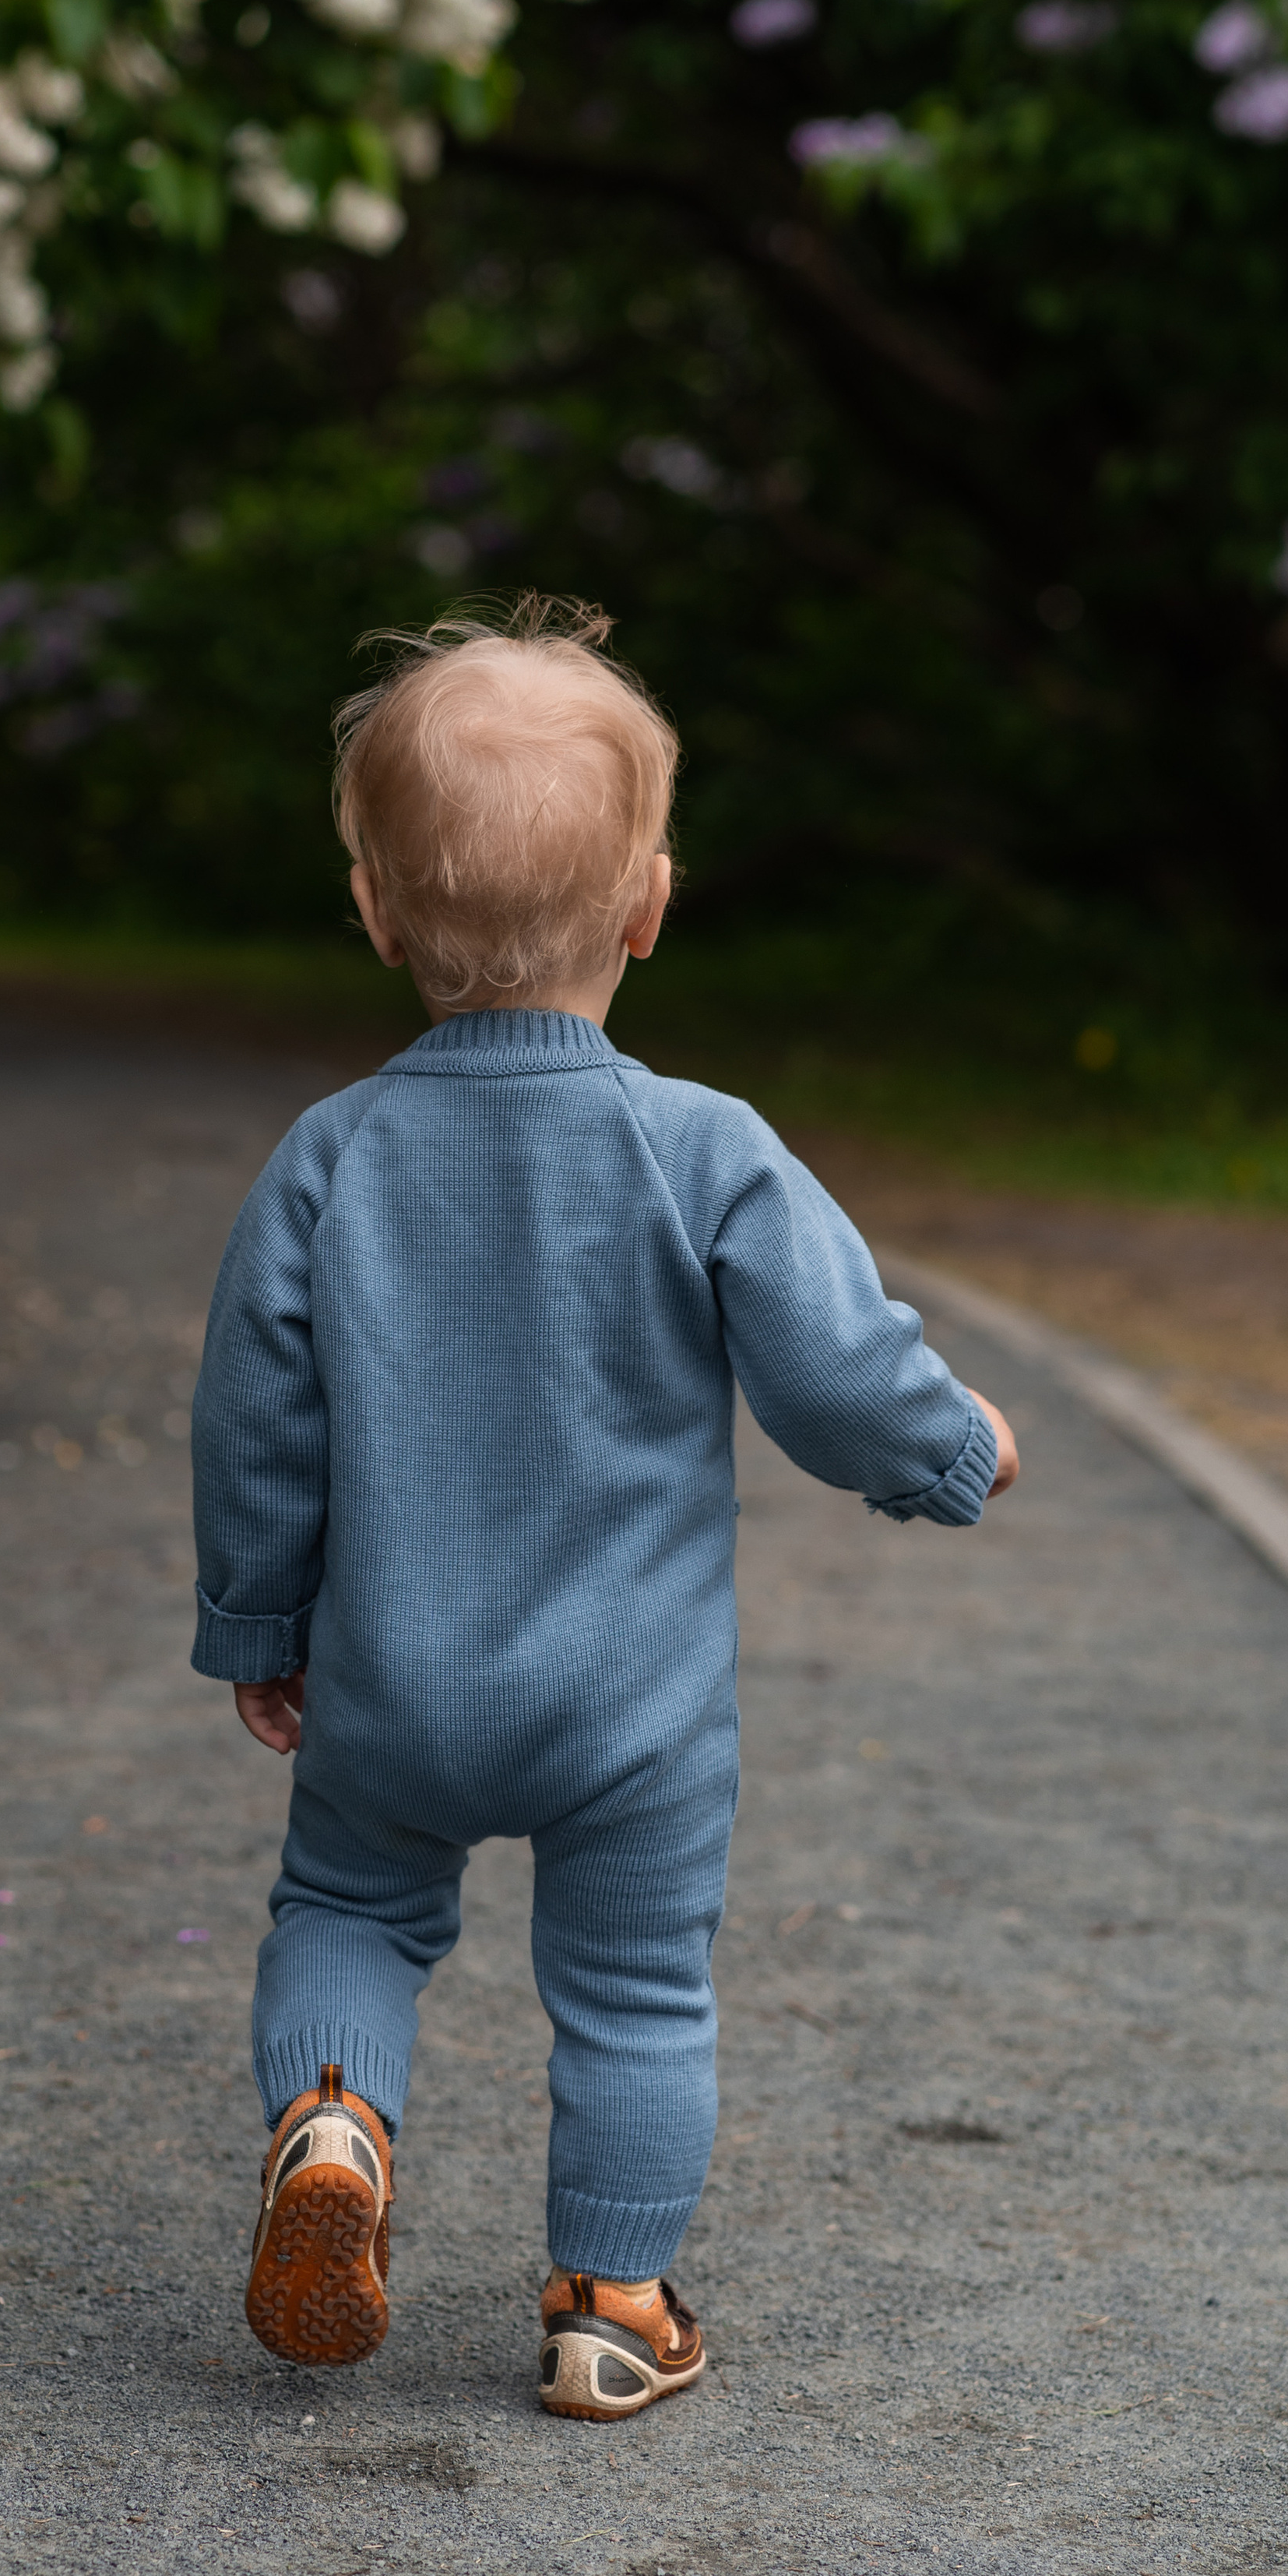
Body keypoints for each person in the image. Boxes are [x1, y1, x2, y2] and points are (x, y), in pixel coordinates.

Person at [189, 598, 1021, 2422]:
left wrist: (259, 1621)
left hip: (389, 1674)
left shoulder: (327, 1156)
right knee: (636, 1990)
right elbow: (829, 1363)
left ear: (375, 912)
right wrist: (942, 1446)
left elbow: (255, 1408)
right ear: (647, 905)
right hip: (628, 1709)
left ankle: (333, 2119)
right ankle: (606, 2302)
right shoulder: (702, 1145)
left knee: (347, 1903)